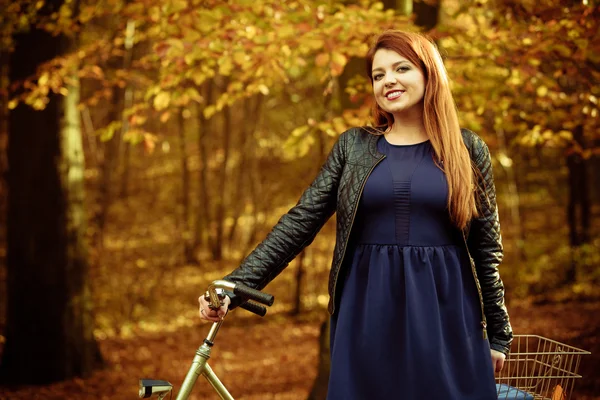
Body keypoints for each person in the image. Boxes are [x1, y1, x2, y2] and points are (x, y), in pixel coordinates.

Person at [198, 30, 513, 400]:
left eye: (401, 68)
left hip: (445, 309)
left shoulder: (468, 149)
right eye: (378, 75)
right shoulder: (354, 147)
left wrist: (498, 333)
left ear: (429, 74)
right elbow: (300, 222)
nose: (388, 81)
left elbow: (485, 248)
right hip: (366, 307)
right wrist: (234, 286)